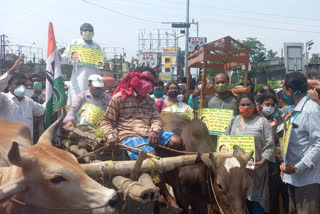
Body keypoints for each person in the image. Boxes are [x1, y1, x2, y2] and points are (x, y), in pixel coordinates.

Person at [99, 67, 183, 211]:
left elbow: (156, 119)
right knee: (153, 157)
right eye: (144, 79)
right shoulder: (119, 97)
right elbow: (106, 121)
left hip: (149, 132)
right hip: (129, 135)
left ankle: (168, 176)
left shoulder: (150, 101)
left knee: (177, 141)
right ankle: (167, 196)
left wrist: (155, 131)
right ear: (134, 78)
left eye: (150, 80)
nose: (147, 83)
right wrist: (111, 136)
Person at [225, 93, 274, 213]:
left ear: (255, 105)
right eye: (243, 105)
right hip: (237, 171)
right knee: (239, 204)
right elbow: (226, 140)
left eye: (249, 104)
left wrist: (262, 161)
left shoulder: (263, 122)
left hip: (258, 171)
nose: (246, 107)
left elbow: (270, 144)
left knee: (257, 205)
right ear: (238, 106)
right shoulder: (233, 120)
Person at [280, 72, 320, 214]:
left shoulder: (311, 109)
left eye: (284, 90)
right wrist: (285, 164)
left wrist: (298, 167)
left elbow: (318, 144)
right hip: (293, 178)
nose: (283, 94)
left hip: (307, 179)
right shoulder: (295, 111)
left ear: (290, 91)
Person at [257, 91, 289, 214]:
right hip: (259, 163)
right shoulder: (255, 119)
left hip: (276, 164)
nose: (269, 107)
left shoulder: (280, 119)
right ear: (260, 104)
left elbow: (283, 138)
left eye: (272, 105)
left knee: (276, 194)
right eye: (267, 104)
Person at [0, 56, 45, 141]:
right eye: (18, 83)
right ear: (9, 86)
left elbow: (42, 111)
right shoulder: (3, 98)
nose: (21, 86)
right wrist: (12, 69)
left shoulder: (28, 101)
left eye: (23, 83)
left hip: (26, 147)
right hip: (7, 148)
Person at [60, 23, 102, 105]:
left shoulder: (97, 46)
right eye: (85, 30)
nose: (88, 32)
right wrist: (59, 58)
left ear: (93, 33)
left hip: (94, 79)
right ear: (81, 32)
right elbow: (66, 58)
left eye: (90, 30)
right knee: (77, 102)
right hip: (79, 79)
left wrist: (105, 64)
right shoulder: (75, 42)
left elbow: (102, 63)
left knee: (93, 104)